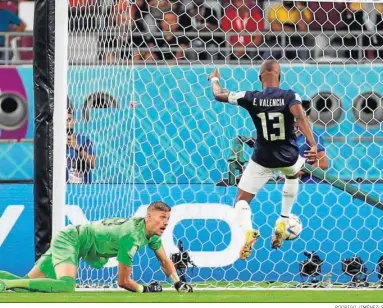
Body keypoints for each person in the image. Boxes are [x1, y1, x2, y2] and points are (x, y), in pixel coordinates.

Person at [208, 60, 317, 258]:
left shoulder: (251, 97)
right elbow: (300, 116)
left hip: (262, 158)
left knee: (241, 201)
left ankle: (249, 231)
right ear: (280, 78)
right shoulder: (290, 95)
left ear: (259, 78)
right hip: (289, 157)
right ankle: (283, 220)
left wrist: (214, 79)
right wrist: (313, 144)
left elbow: (218, 94)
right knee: (292, 176)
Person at [0, 201, 193, 293]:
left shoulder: (149, 234)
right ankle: (6, 284)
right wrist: (145, 289)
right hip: (71, 240)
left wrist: (177, 282)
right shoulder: (131, 237)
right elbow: (123, 281)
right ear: (148, 217)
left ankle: (7, 282)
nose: (166, 223)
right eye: (162, 218)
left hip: (75, 240)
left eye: (168, 218)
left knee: (24, 286)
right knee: (66, 286)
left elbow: (164, 259)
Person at [66, 106, 95, 183]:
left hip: (82, 189)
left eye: (69, 120)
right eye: (63, 120)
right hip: (63, 187)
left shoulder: (84, 140)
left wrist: (77, 147)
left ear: (74, 121)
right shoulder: (55, 142)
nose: (66, 123)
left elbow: (92, 163)